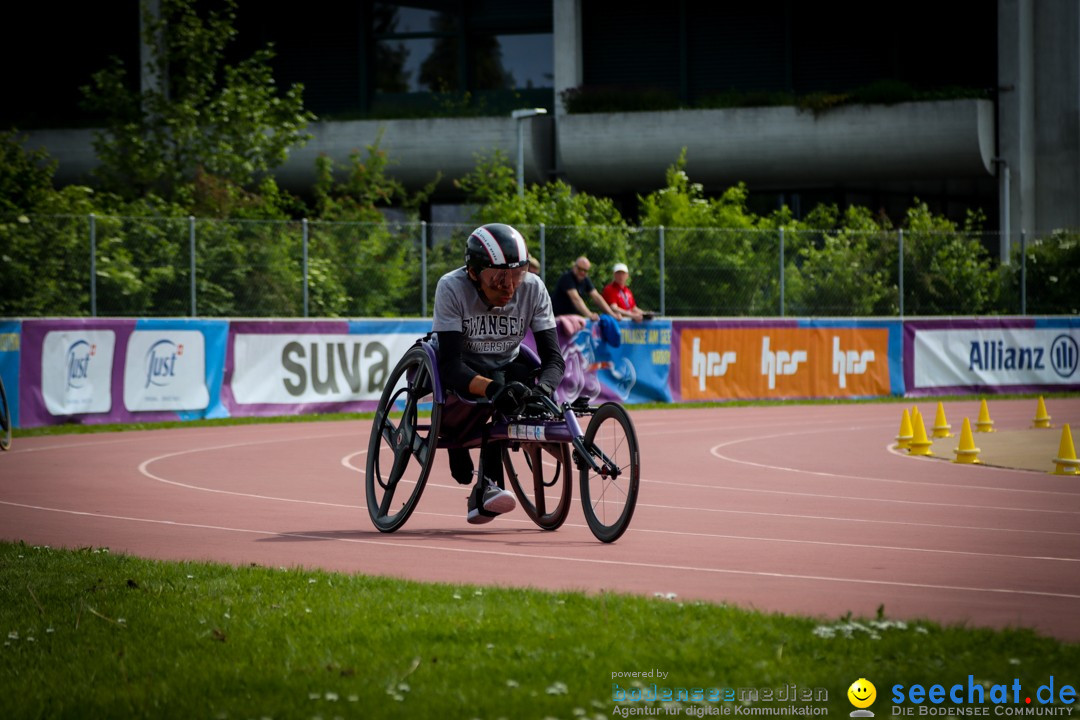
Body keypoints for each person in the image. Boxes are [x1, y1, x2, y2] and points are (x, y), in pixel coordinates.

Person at [432, 223, 565, 524]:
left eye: (516, 276)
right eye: (498, 280)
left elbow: (554, 360)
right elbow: (450, 365)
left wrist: (542, 392)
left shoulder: (533, 288)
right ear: (474, 274)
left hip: (507, 366)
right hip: (464, 371)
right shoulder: (451, 287)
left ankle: (486, 486)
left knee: (519, 381)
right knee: (503, 385)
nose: (508, 288)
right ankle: (479, 474)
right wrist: (493, 390)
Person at [550, 256, 621, 322]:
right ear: (574, 267)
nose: (582, 272)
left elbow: (597, 297)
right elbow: (576, 299)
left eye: (585, 270)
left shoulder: (585, 280)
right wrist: (590, 315)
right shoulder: (567, 278)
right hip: (557, 320)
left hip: (572, 319)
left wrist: (612, 314)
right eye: (580, 269)